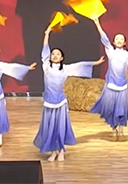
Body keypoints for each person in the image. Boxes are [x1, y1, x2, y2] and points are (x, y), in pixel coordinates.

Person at [34, 27, 105, 162]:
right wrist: (47, 34)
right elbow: (45, 49)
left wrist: (95, 63)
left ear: (62, 58)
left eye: (58, 54)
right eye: (53, 54)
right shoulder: (46, 66)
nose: (55, 55)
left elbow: (81, 65)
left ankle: (61, 150)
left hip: (60, 103)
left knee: (59, 127)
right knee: (50, 128)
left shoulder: (66, 69)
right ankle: (53, 151)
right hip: (49, 103)